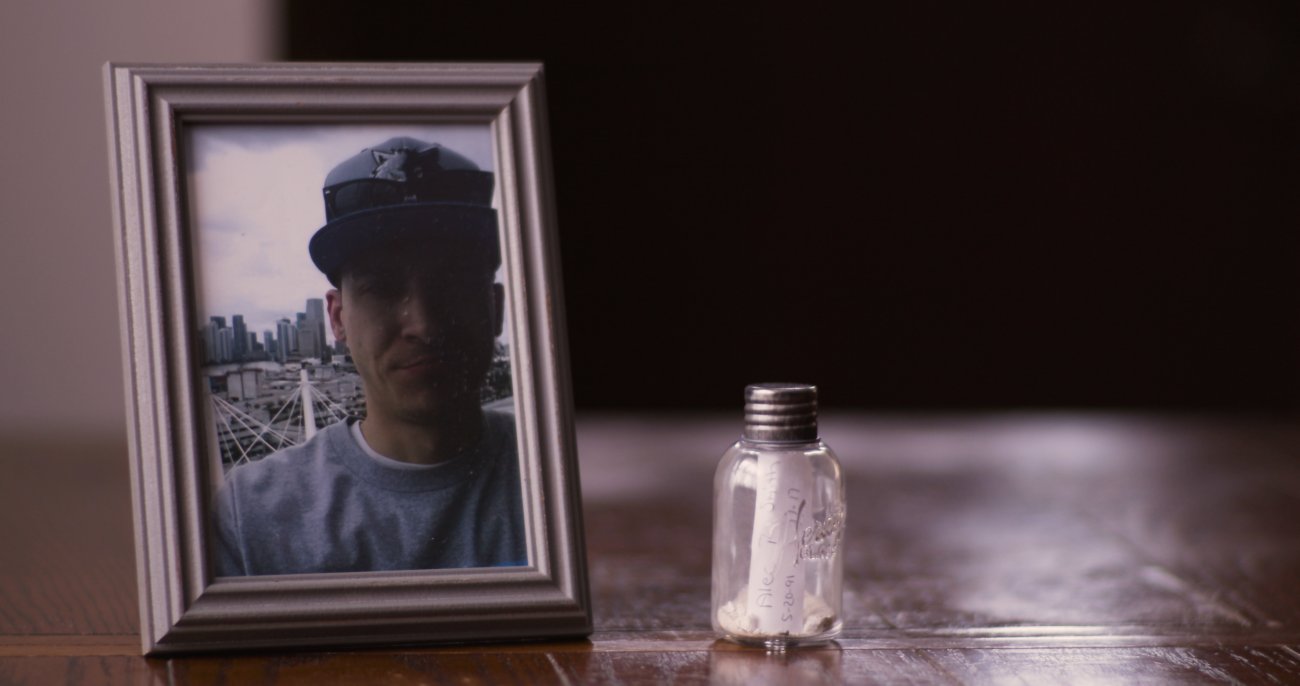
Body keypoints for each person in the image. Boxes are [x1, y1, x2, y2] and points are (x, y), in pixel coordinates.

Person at [213, 137, 526, 576]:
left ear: (495, 308)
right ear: (338, 319)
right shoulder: (248, 516)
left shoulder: (563, 478)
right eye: (381, 288)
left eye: (452, 283)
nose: (424, 324)